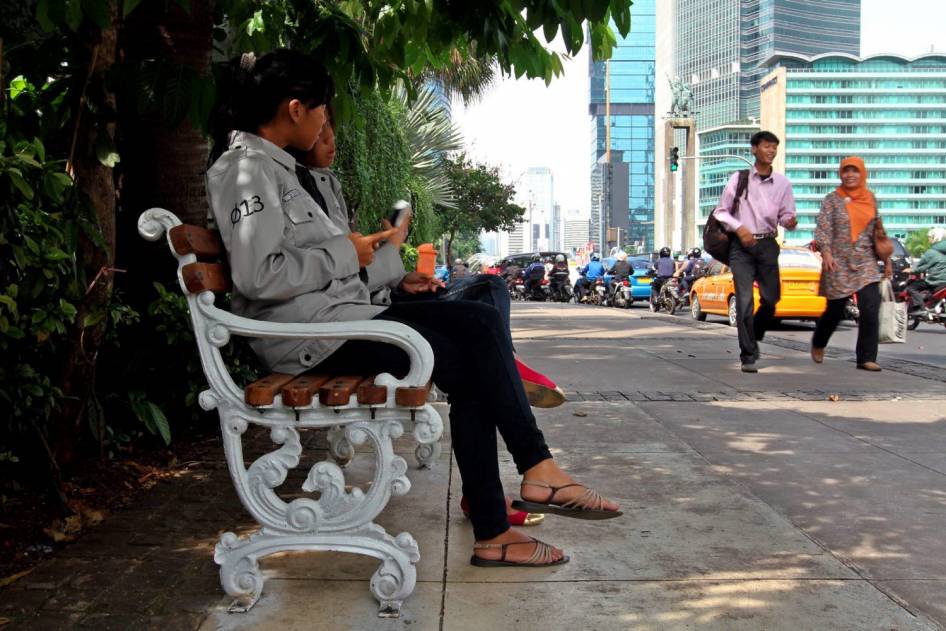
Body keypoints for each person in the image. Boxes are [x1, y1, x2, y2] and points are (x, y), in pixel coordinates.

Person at [206, 51, 618, 567]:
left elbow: (313, 268)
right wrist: (346, 253)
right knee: (478, 326)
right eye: (321, 110)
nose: (324, 123)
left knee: (474, 349)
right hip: (307, 339)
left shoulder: (279, 170)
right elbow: (258, 275)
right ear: (295, 108)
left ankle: (503, 522)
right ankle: (532, 472)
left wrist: (377, 266)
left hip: (338, 322)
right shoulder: (243, 170)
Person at [296, 114, 564, 410]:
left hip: (375, 299)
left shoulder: (325, 186)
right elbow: (338, 275)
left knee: (490, 286)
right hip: (358, 314)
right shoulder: (291, 188)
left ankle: (507, 359)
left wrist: (400, 277)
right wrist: (395, 241)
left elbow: (348, 269)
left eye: (332, 136)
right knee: (476, 336)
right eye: (322, 137)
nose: (331, 144)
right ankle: (508, 372)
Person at [712, 131, 798, 373]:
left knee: (772, 298)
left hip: (768, 245)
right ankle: (748, 354)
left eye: (774, 147)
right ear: (754, 149)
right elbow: (721, 211)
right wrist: (739, 229)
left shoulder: (783, 184)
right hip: (742, 247)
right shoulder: (739, 179)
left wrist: (789, 221)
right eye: (766, 146)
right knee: (745, 301)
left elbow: (785, 214)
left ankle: (755, 332)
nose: (771, 151)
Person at [810, 157, 890, 371]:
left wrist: (887, 260)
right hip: (838, 262)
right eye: (846, 171)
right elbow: (823, 229)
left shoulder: (870, 199)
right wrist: (825, 252)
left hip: (866, 262)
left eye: (855, 171)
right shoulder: (832, 200)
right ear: (841, 174)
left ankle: (866, 358)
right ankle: (819, 342)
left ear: (862, 173)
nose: (850, 175)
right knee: (835, 310)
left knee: (871, 307)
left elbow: (878, 231)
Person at [904, 234, 946, 313]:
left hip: (935, 281)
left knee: (911, 288)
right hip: (944, 283)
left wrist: (911, 270)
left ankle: (921, 308)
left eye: (930, 237)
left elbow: (920, 267)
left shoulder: (931, 252)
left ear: (936, 238)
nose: (928, 239)